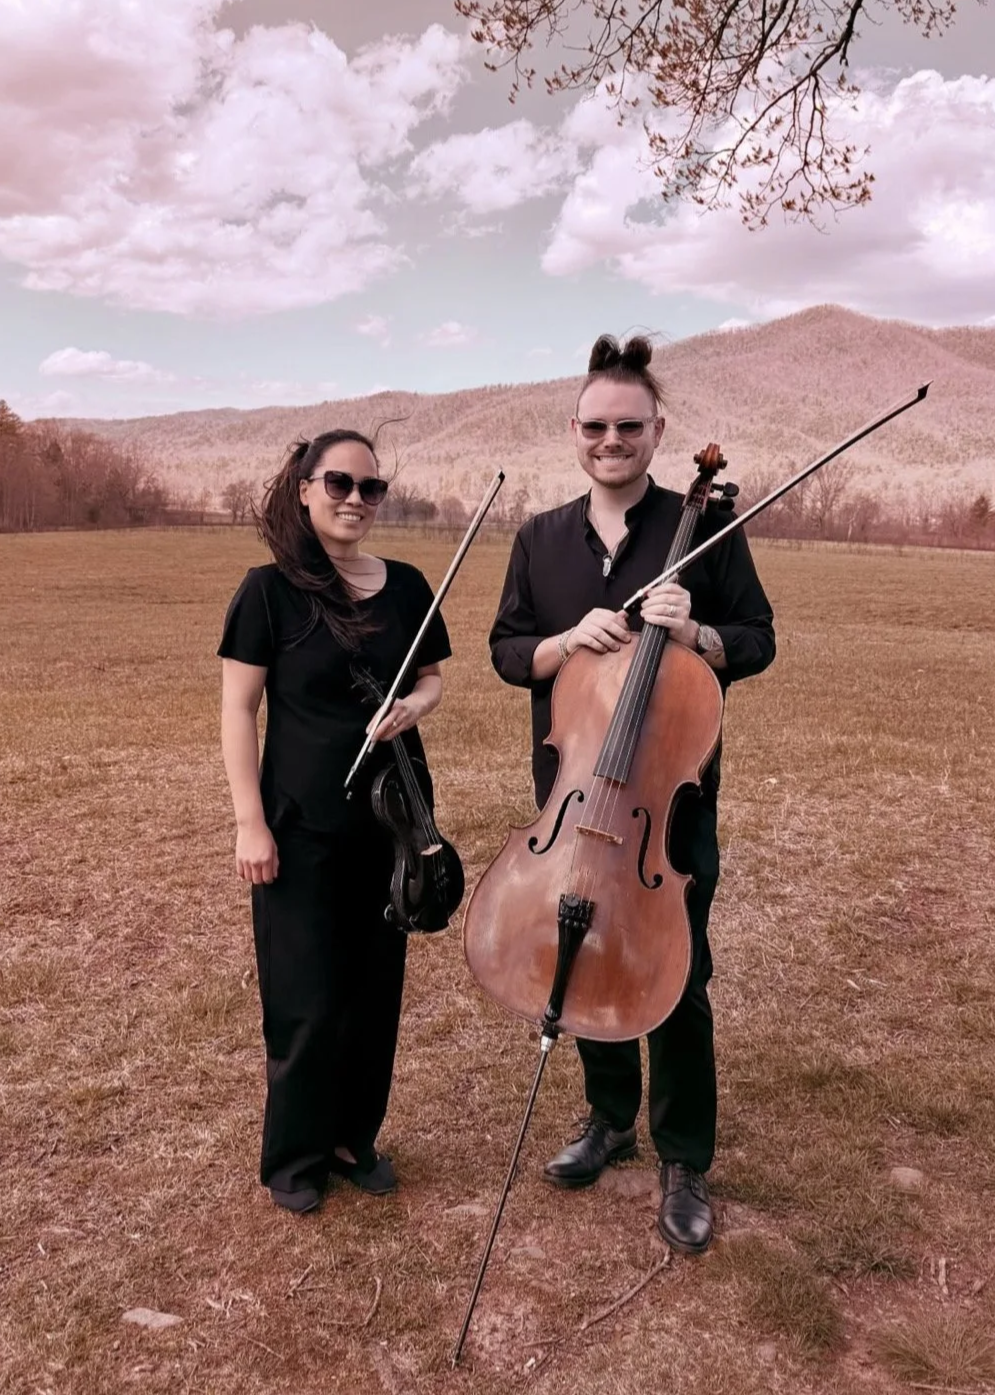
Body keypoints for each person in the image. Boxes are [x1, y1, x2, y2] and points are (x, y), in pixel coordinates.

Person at [488, 334, 775, 1253]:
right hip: (571, 802)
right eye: (596, 426)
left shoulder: (705, 532)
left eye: (629, 426)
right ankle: (607, 1118)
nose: (611, 439)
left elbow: (760, 640)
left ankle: (684, 1155)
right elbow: (505, 653)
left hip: (668, 810)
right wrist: (566, 640)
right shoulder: (539, 538)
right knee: (580, 960)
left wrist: (700, 633)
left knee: (674, 975)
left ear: (658, 432)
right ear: (574, 431)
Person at [218, 429, 451, 1216]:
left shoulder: (410, 585)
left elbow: (432, 682)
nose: (356, 500)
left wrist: (410, 708)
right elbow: (237, 710)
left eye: (371, 488)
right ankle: (296, 1155)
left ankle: (356, 1139)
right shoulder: (268, 591)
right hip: (300, 826)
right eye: (340, 483)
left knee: (373, 989)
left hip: (392, 823)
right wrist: (250, 822)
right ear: (306, 487)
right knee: (305, 994)